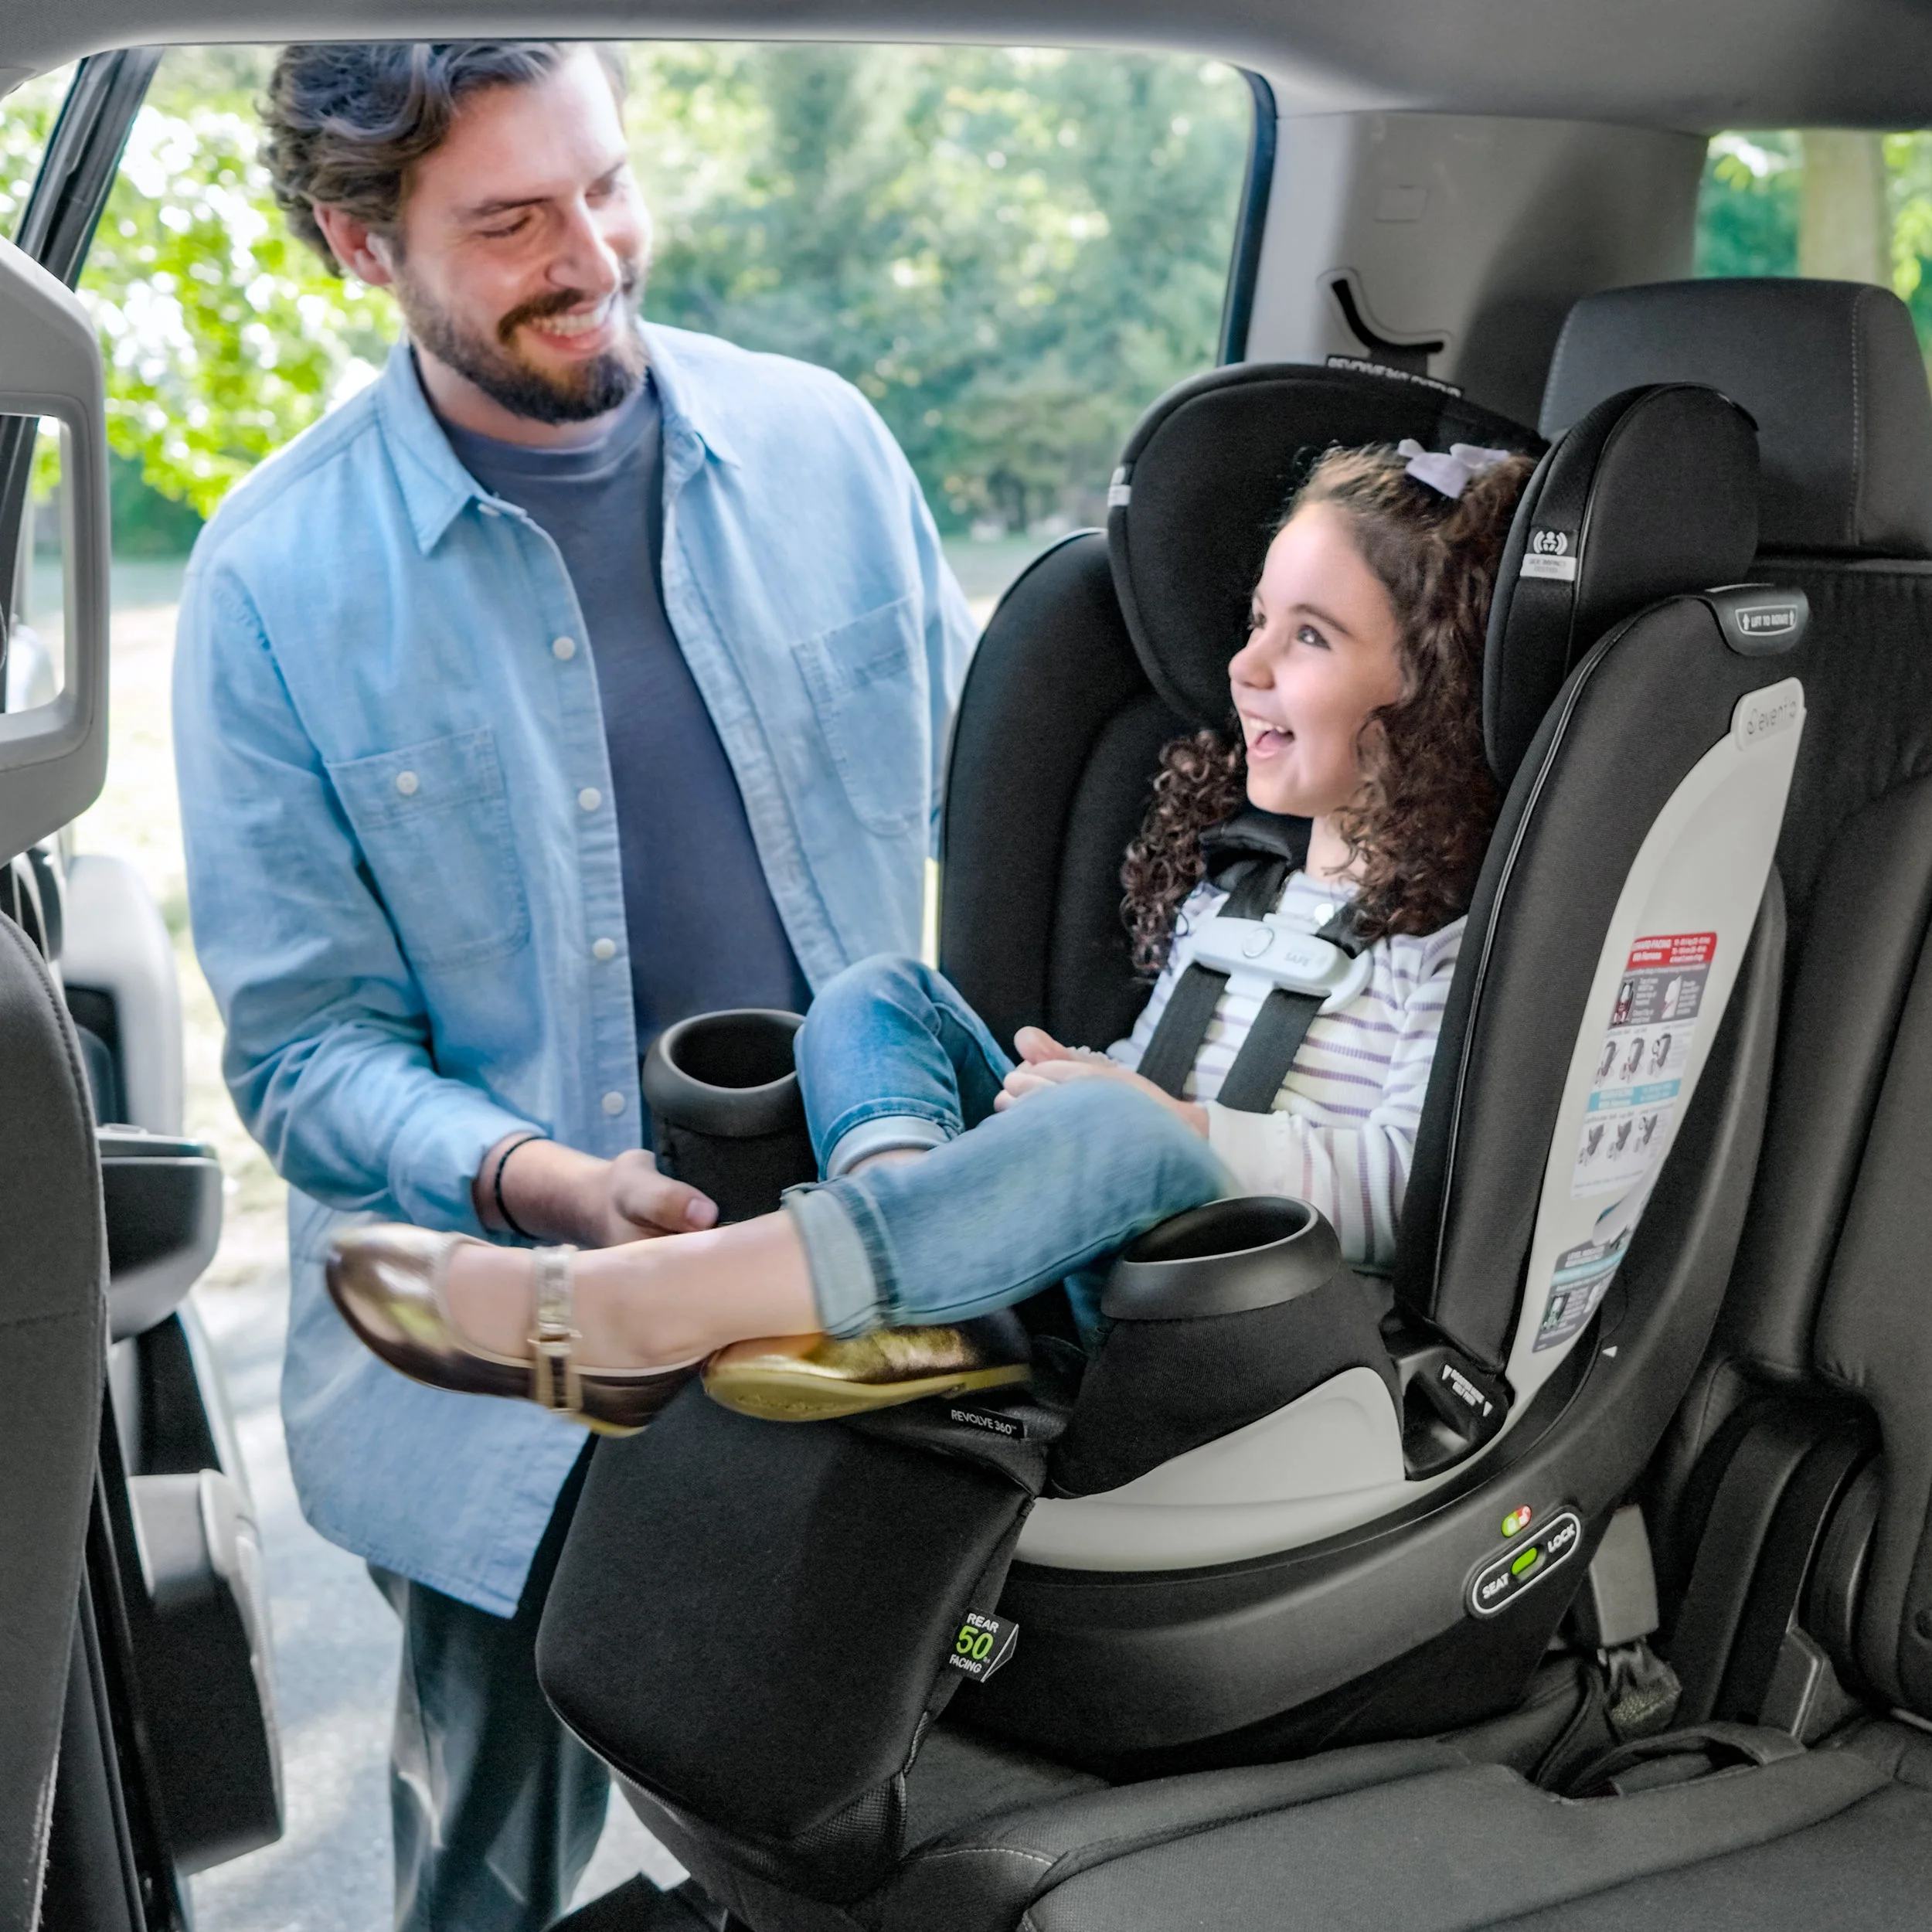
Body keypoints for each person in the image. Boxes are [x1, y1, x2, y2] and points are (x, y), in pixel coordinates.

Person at [172, 39, 973, 1931]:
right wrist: (549, 1185)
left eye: (604, 184)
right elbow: (307, 1056)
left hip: (873, 1291)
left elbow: (1001, 809)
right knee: (488, 1874)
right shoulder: (270, 580)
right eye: (514, 220)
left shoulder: (826, 445)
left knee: (905, 1839)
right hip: (517, 1364)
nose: (592, 254)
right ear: (358, 245)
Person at [329, 439, 1533, 1425]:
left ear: (1434, 687)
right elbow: (1159, 1084)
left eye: (1309, 638)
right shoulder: (1238, 888)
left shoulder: (1449, 946)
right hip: (1107, 1232)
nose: (1248, 664)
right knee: (876, 993)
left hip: (1249, 1311)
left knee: (1117, 1127)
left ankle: (640, 1309)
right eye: (1258, 620)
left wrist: (1161, 1125)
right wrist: (1086, 1084)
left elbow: (1407, 1188)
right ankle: (921, 1305)